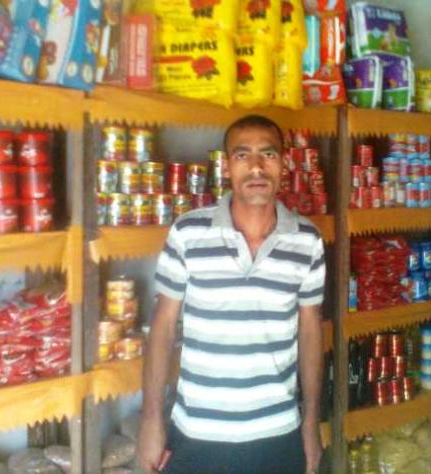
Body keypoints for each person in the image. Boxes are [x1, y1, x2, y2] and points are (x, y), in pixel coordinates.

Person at [137, 115, 326, 474]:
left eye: (268, 154)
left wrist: (311, 423)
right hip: (197, 432)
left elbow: (311, 331)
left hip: (279, 431)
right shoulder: (188, 232)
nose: (256, 167)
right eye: (242, 155)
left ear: (284, 163)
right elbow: (162, 328)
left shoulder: (307, 240)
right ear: (226, 167)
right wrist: (151, 419)